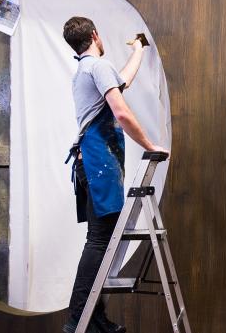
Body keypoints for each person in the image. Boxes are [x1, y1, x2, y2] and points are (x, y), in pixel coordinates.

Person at [61, 17, 168, 333]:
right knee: (99, 241)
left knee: (101, 241)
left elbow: (122, 81)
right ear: (95, 35)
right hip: (98, 164)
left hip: (92, 163)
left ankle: (91, 318)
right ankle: (80, 319)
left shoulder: (86, 69)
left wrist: (138, 50)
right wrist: (152, 146)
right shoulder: (97, 66)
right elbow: (120, 111)